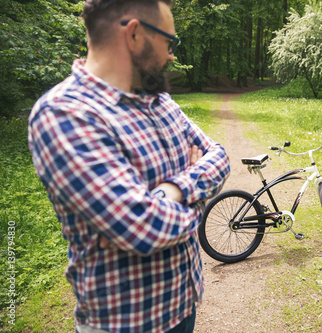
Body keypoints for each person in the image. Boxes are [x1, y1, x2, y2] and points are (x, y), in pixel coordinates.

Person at [28, 0, 230, 332]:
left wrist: (173, 191)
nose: (172, 55)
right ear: (135, 34)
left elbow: (218, 157)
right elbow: (142, 228)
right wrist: (200, 199)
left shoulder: (159, 101)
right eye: (170, 42)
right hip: (127, 323)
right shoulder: (65, 113)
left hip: (183, 305)